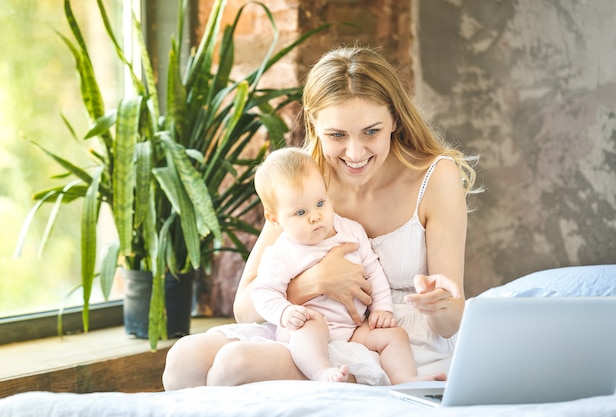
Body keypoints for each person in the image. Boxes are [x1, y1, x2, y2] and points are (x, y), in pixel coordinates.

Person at [162, 45, 478, 389]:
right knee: (184, 358)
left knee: (234, 365)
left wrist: (439, 303)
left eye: (371, 131)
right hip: (305, 326)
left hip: (390, 341)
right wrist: (315, 282)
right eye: (337, 135)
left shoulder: (435, 177)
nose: (355, 154)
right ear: (313, 123)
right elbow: (245, 307)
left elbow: (451, 323)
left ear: (395, 120)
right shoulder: (305, 179)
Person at [252, 147, 428, 384]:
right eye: (301, 212)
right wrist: (284, 313)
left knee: (394, 335)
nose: (315, 216)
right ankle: (319, 371)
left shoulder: (351, 231)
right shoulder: (282, 252)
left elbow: (374, 272)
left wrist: (382, 309)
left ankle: (405, 379)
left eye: (320, 203)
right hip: (309, 327)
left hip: (354, 329)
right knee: (310, 326)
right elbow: (263, 292)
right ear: (275, 219)